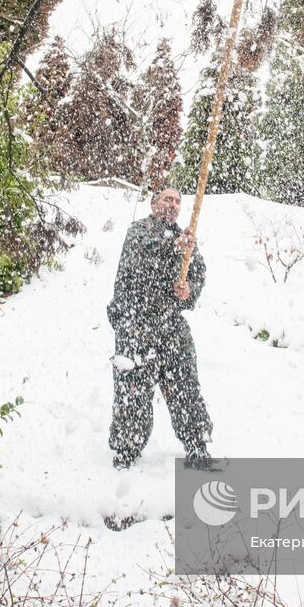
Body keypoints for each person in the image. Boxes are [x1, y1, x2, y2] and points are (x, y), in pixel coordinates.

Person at [106, 187, 217, 470]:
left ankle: (197, 444)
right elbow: (142, 260)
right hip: (136, 323)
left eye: (178, 201)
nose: (173, 204)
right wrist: (174, 247)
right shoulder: (139, 232)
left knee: (185, 385)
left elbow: (198, 272)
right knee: (133, 392)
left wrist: (187, 290)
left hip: (169, 324)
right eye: (168, 199)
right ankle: (126, 449)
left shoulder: (185, 239)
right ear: (154, 203)